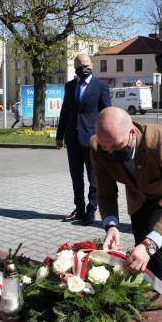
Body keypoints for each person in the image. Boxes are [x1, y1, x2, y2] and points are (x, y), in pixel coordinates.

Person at [91, 107, 162, 281]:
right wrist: (111, 226)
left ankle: (156, 293)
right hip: (139, 187)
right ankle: (139, 285)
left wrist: (149, 246)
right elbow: (106, 193)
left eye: (117, 146)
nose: (110, 153)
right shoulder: (99, 147)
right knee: (141, 234)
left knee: (155, 238)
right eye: (106, 147)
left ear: (132, 133)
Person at [56, 53, 111, 225]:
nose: (83, 67)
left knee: (93, 177)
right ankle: (79, 209)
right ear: (75, 67)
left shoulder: (100, 86)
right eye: (79, 65)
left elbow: (107, 113)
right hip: (72, 138)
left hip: (93, 139)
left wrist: (107, 137)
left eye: (86, 64)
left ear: (92, 65)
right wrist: (59, 136)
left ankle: (91, 210)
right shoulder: (70, 86)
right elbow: (65, 112)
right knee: (76, 177)